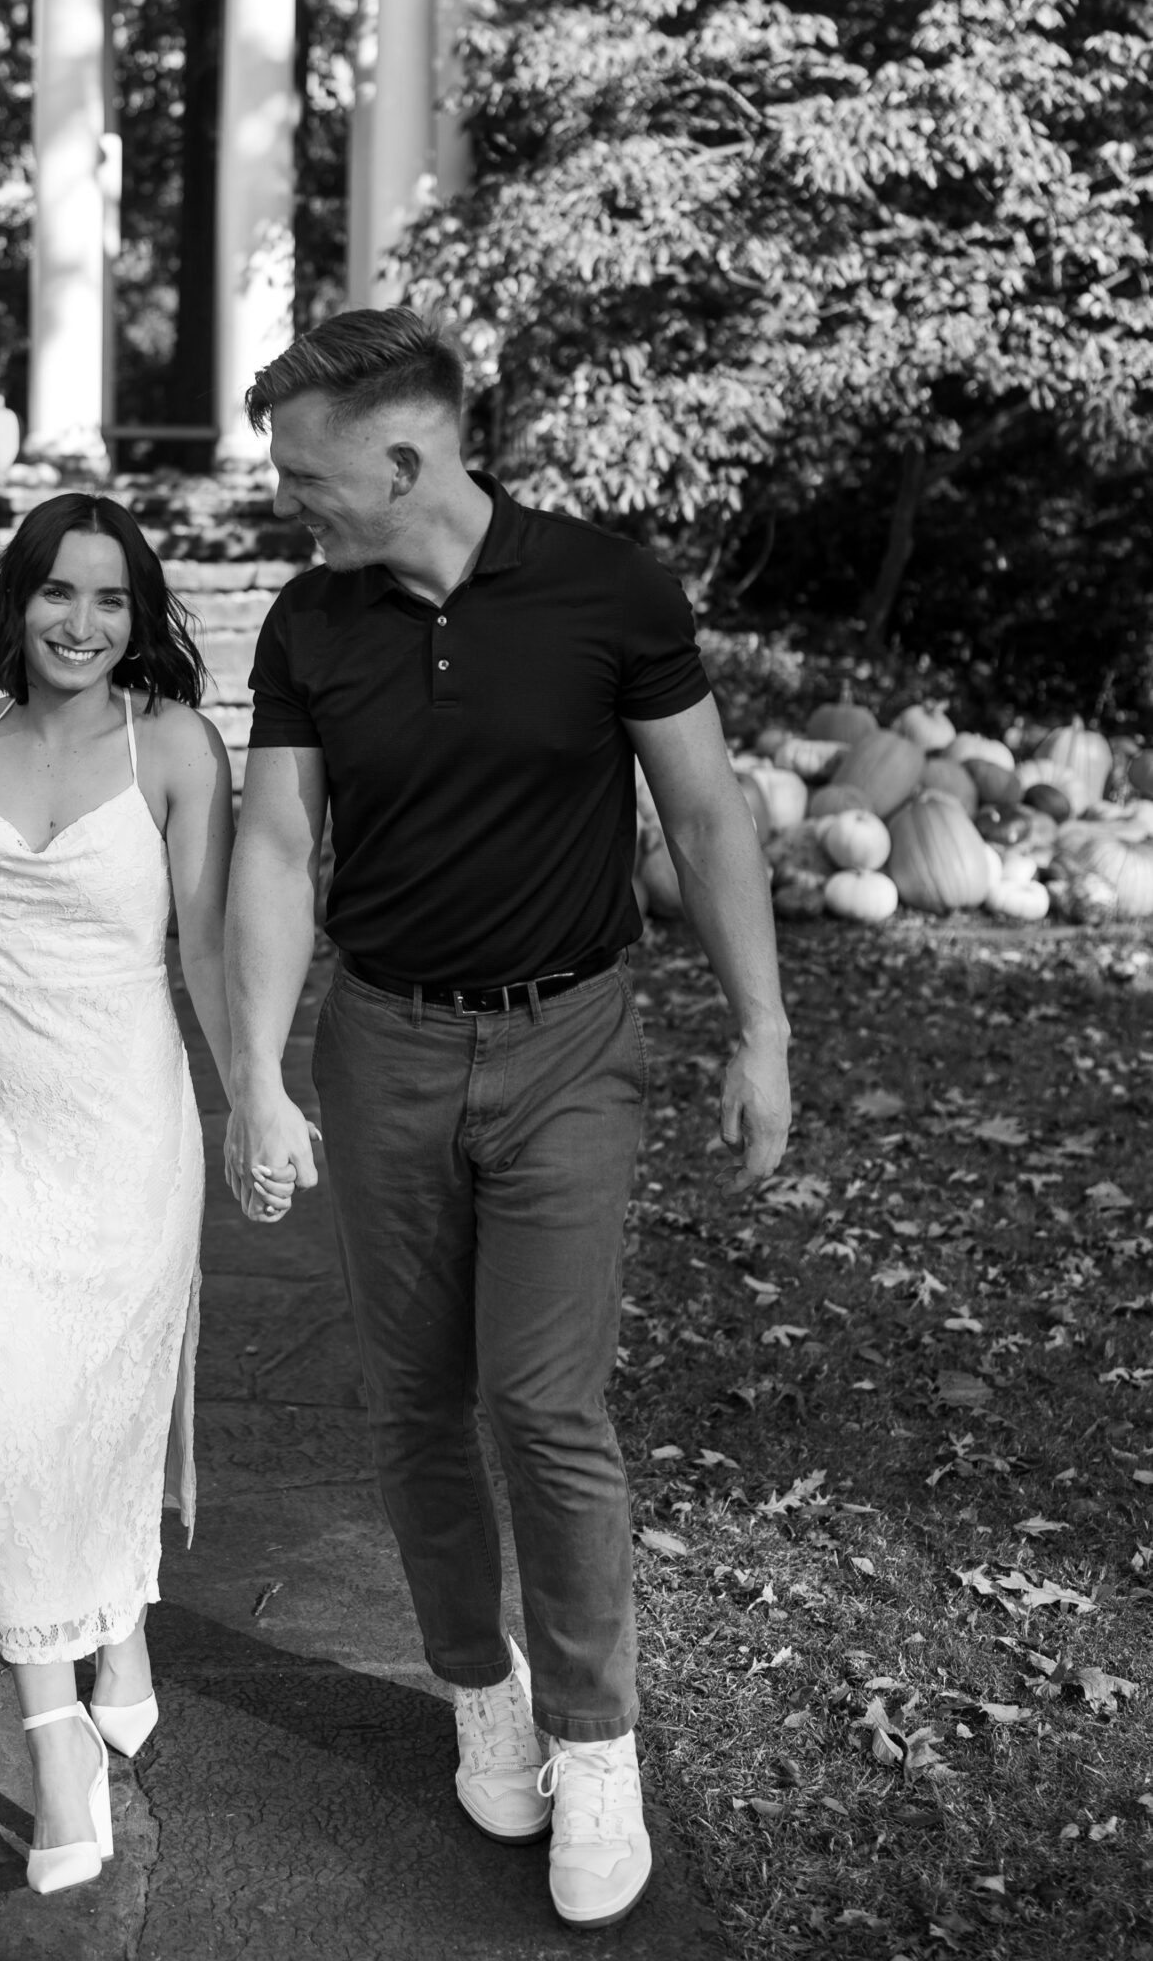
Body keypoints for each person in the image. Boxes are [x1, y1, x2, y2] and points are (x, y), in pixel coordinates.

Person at [223, 309, 791, 1930]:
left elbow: (701, 809)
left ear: (406, 459)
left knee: (544, 1405)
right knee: (413, 1402)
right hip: (384, 1046)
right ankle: (482, 1684)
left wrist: (761, 1032)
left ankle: (595, 1741)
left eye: (309, 476)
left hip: (570, 1047)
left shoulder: (606, 589)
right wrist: (258, 1071)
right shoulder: (311, 622)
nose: (291, 504)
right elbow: (275, 852)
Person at [0, 492, 256, 1897]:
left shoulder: (176, 750)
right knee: (0, 1409)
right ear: (16, 603)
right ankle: (52, 1747)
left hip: (122, 1124)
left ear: (141, 617)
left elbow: (205, 954)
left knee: (102, 1401)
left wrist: (257, 1093)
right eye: (57, 595)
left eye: (111, 599)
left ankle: (123, 1615)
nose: (83, 624)